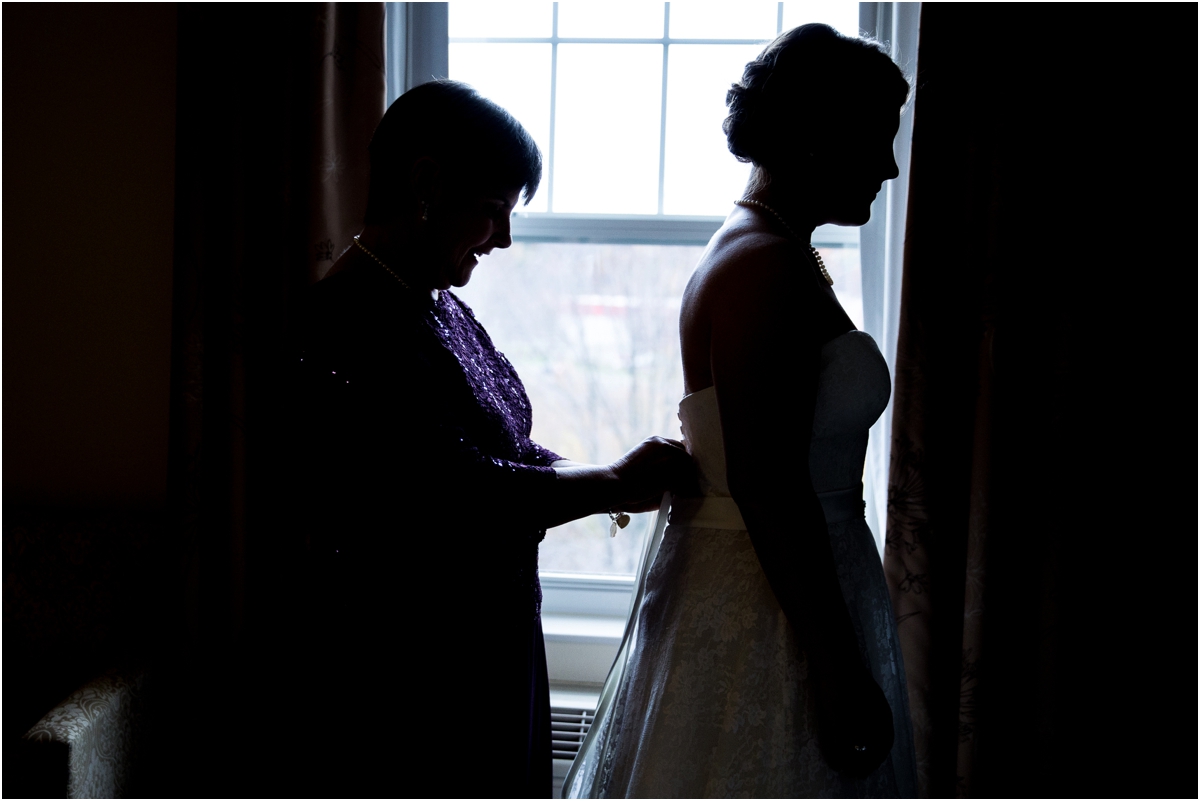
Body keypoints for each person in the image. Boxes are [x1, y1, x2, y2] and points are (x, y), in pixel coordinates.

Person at [286, 81, 693, 798]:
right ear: (426, 183)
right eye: (493, 211)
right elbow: (457, 488)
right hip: (412, 669)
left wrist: (608, 472)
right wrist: (611, 484)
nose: (503, 239)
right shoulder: (345, 322)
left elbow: (507, 447)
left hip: (491, 642)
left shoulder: (438, 307)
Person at [565, 24, 918, 797]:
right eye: (877, 139)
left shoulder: (778, 248)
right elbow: (766, 482)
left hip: (785, 581)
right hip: (769, 605)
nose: (891, 167)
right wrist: (836, 669)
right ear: (820, 140)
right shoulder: (764, 267)